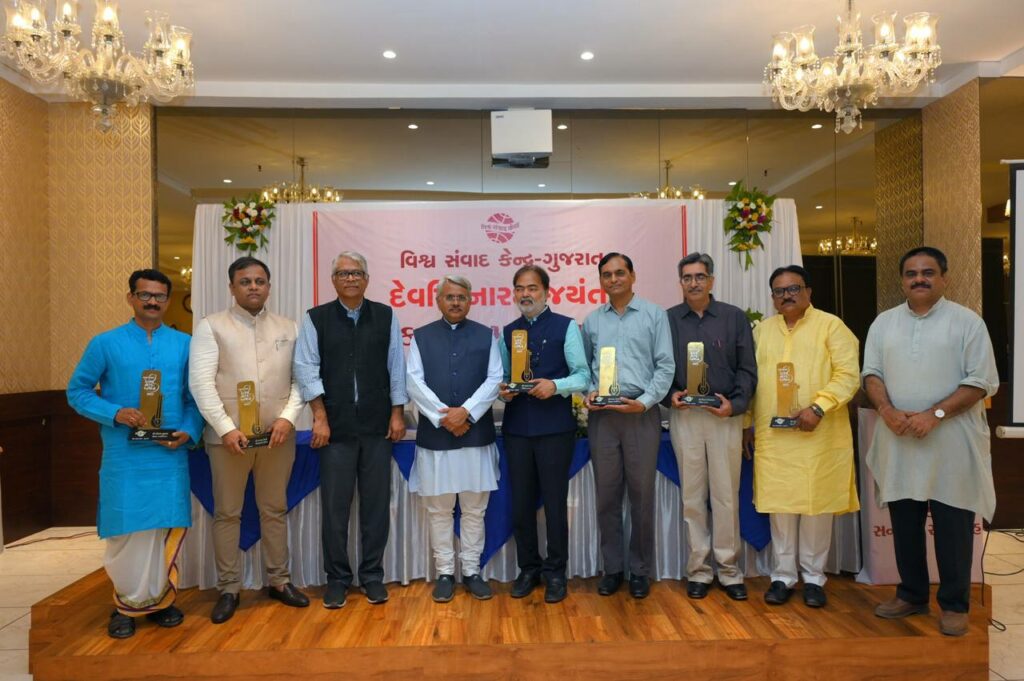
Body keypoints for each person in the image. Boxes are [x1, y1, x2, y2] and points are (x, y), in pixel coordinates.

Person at [863, 246, 998, 637]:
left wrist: (934, 415)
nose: (919, 279)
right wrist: (887, 410)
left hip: (951, 443)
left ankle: (955, 604)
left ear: (944, 278)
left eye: (927, 272)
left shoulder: (967, 322)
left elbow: (980, 381)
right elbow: (871, 374)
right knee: (905, 523)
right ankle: (912, 594)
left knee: (953, 526)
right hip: (900, 440)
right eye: (911, 273)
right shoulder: (884, 323)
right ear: (902, 280)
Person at [67, 269, 203, 639]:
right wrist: (115, 413)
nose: (152, 301)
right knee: (126, 530)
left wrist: (189, 431)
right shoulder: (105, 343)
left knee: (161, 528)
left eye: (159, 296)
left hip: (168, 456)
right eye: (145, 295)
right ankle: (125, 604)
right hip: (124, 456)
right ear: (131, 298)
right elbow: (77, 392)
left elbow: (194, 400)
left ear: (168, 300)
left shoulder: (185, 344)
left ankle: (160, 600)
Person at [189, 256, 310, 623]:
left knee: (274, 509)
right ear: (232, 287)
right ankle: (229, 588)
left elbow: (300, 381)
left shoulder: (289, 327)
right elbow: (201, 383)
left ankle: (279, 581)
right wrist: (226, 428)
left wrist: (287, 419)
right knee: (228, 513)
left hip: (277, 438)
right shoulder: (211, 326)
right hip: (230, 440)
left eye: (260, 281)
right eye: (245, 281)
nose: (253, 287)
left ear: (269, 287)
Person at [293, 251, 408, 609]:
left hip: (377, 427)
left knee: (375, 507)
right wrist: (320, 416)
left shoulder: (386, 315)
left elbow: (396, 367)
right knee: (335, 509)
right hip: (336, 429)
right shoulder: (316, 318)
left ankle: (372, 576)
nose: (351, 279)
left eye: (357, 273)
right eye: (344, 273)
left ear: (367, 279)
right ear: (334, 280)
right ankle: (337, 579)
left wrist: (397, 413)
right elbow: (306, 368)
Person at [746, 265, 860, 608]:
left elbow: (848, 375)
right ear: (772, 298)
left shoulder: (831, 326)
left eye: (794, 288)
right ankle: (782, 576)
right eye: (780, 291)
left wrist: (819, 407)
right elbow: (751, 381)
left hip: (818, 435)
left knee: (816, 508)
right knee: (780, 507)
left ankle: (813, 578)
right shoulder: (762, 332)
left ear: (808, 291)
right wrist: (747, 423)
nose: (787, 296)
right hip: (774, 437)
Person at [664, 253, 757, 601]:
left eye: (700, 276)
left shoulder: (733, 318)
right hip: (686, 416)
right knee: (692, 496)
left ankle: (730, 571)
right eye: (687, 277)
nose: (694, 283)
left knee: (725, 494)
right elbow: (659, 366)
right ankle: (699, 570)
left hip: (723, 416)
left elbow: (747, 369)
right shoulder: (668, 320)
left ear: (711, 280)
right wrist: (670, 395)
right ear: (681, 282)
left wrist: (735, 405)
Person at [582, 253, 674, 599]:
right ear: (600, 281)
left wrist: (646, 402)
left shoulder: (654, 315)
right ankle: (613, 568)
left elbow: (665, 366)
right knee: (606, 496)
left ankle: (639, 570)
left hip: (640, 413)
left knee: (641, 495)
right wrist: (589, 392)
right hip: (603, 418)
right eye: (606, 274)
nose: (613, 279)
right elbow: (585, 369)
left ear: (633, 276)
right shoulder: (592, 321)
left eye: (620, 273)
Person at [406, 275, 502, 602]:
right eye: (449, 296)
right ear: (438, 301)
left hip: (476, 436)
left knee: (475, 509)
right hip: (437, 439)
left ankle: (472, 570)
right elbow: (414, 382)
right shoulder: (421, 337)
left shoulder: (486, 336)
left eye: (462, 296)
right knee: (439, 510)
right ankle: (445, 572)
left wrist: (467, 413)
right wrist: (445, 417)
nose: (456, 302)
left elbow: (495, 379)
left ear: (470, 300)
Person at [498, 265, 590, 603]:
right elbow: (503, 377)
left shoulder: (566, 326)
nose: (526, 294)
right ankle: (528, 569)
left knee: (554, 503)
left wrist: (556, 385)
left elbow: (583, 376)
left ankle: (556, 572)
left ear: (546, 292)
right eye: (520, 288)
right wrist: (504, 392)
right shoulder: (508, 332)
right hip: (517, 429)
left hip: (554, 429)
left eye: (532, 288)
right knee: (521, 503)